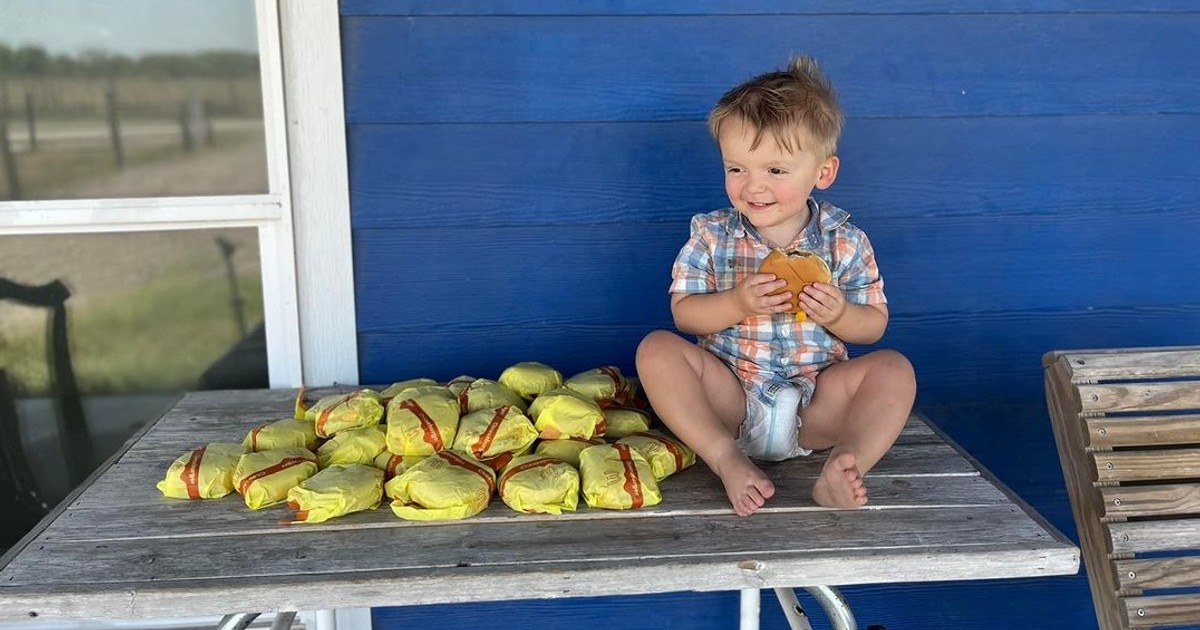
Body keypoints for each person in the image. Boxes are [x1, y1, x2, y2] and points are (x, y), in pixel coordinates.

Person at [635, 56, 916, 516]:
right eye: (737, 168)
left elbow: (873, 327)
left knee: (894, 371)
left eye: (776, 171)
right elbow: (684, 315)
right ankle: (725, 458)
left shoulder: (844, 241)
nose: (753, 186)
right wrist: (737, 302)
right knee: (656, 350)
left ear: (823, 173)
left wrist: (841, 314)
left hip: (815, 404)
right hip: (731, 397)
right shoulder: (711, 235)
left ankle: (845, 465)